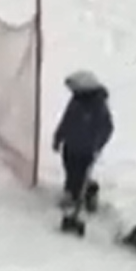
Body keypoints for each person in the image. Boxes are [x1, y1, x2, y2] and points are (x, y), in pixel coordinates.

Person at [52, 69, 113, 223]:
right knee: (70, 170)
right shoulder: (75, 102)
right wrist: (59, 137)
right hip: (70, 145)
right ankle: (71, 192)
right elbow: (67, 120)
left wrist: (98, 144)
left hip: (86, 149)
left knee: (81, 173)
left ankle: (85, 194)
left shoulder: (98, 106)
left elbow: (107, 127)